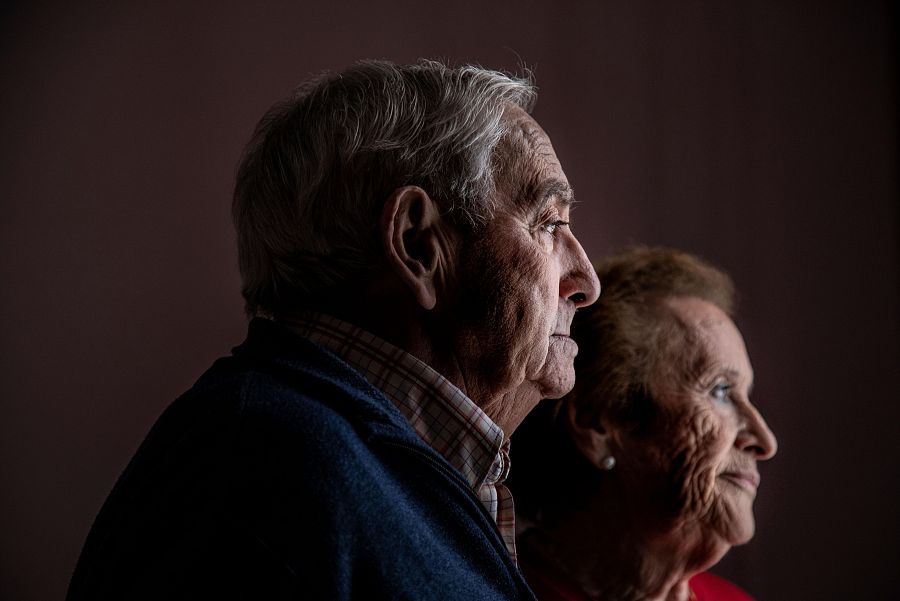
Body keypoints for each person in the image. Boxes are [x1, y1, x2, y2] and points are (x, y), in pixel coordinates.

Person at [66, 59, 600, 600]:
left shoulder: (327, 456)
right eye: (550, 224)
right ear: (418, 246)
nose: (586, 280)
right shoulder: (271, 477)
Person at [508, 247, 777, 601]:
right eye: (721, 391)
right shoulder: (489, 587)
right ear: (598, 423)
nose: (765, 441)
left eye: (747, 394)